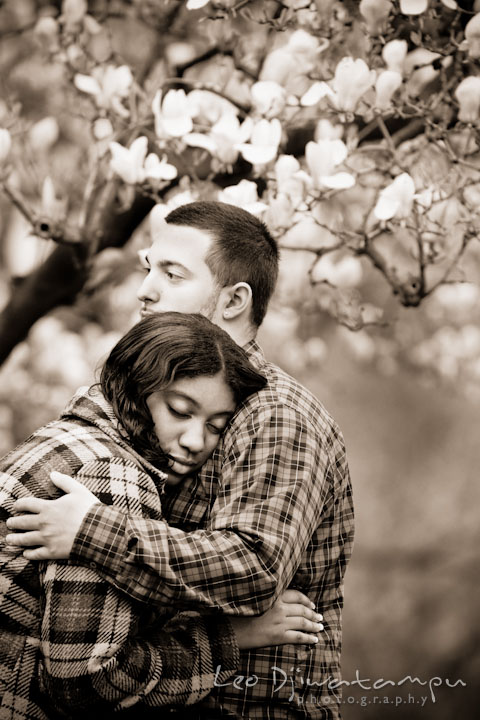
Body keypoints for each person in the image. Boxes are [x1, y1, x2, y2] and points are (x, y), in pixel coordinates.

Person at [7, 201, 355, 719]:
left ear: (234, 300)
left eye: (172, 274)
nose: (146, 288)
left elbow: (255, 568)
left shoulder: (275, 415)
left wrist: (92, 530)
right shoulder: (142, 403)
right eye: (149, 268)